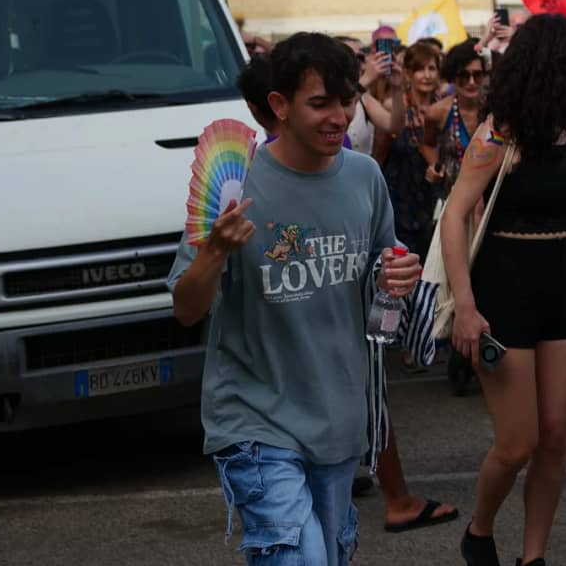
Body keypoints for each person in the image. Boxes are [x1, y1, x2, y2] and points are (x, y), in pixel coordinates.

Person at [169, 33, 421, 566]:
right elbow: (186, 309)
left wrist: (396, 279)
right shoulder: (237, 185)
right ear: (279, 106)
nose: (338, 116)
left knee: (325, 556)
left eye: (347, 100)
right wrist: (214, 250)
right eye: (320, 102)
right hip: (254, 419)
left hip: (338, 418)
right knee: (295, 557)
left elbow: (381, 298)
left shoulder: (364, 176)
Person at [439, 15, 566, 566]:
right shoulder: (498, 131)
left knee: (556, 435)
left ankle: (533, 557)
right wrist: (465, 306)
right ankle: (479, 531)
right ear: (556, 66)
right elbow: (456, 212)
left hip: (561, 284)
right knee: (517, 443)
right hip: (503, 285)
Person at [373, 41, 443, 254]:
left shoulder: (445, 108)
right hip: (400, 197)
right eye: (420, 69)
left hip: (434, 193)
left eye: (432, 68)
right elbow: (379, 154)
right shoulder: (393, 106)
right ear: (408, 73)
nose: (427, 75)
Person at [427, 41, 489, 193]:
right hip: (453, 193)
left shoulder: (495, 110)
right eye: (463, 76)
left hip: (490, 195)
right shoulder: (438, 112)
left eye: (477, 75)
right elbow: (427, 143)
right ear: (452, 77)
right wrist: (434, 164)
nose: (471, 82)